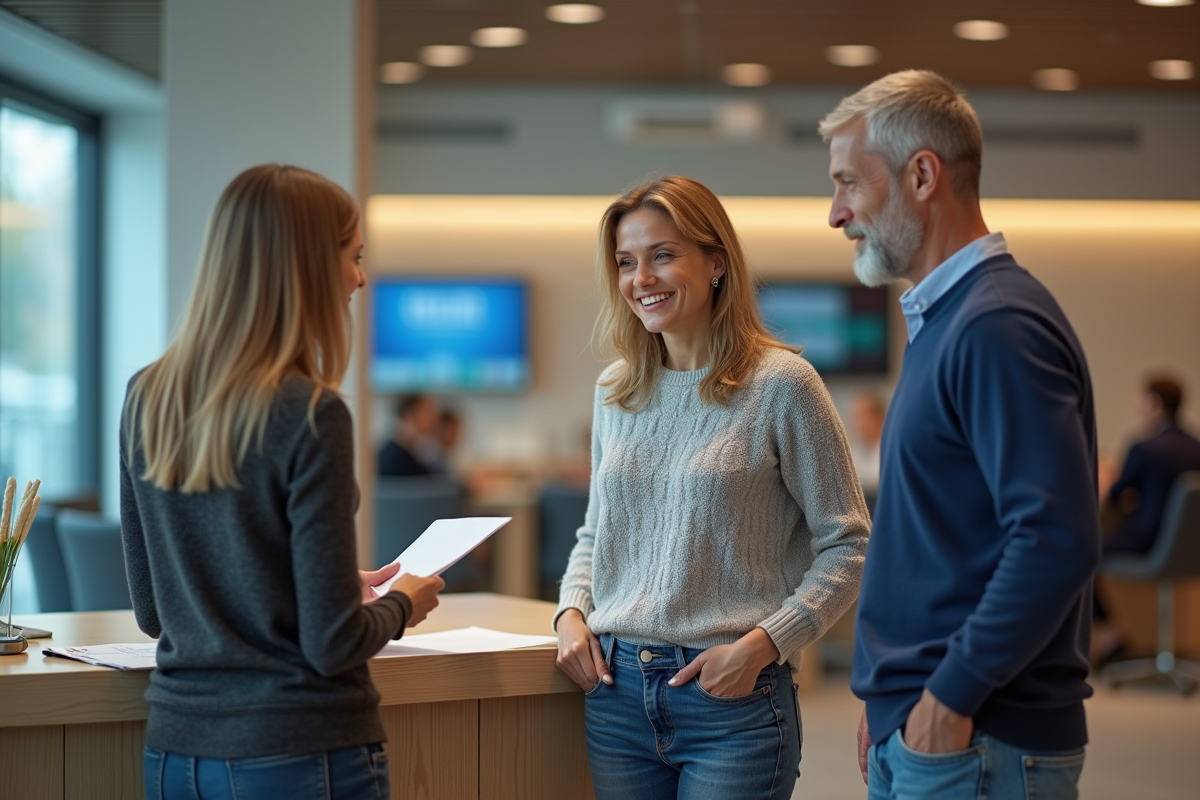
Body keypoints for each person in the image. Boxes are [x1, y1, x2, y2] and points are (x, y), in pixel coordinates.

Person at [120, 164, 445, 800]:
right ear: (307, 267)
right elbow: (333, 644)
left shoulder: (145, 396)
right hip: (298, 752)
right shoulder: (311, 414)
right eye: (353, 257)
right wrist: (403, 602)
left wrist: (319, 583)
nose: (360, 278)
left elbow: (155, 611)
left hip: (176, 754)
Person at [819, 71, 1100, 799]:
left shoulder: (996, 324)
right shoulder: (947, 321)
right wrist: (893, 695)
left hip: (976, 735)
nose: (836, 213)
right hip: (929, 724)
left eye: (848, 183)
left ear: (922, 175)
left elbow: (1055, 539)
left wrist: (947, 696)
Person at [554, 176, 870, 800]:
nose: (641, 278)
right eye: (626, 262)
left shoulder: (784, 385)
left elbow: (849, 544)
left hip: (730, 699)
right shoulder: (615, 390)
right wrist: (569, 613)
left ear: (717, 262)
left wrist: (765, 645)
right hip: (616, 696)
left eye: (662, 255)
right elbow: (597, 533)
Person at [1105, 376, 1200, 554]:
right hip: (1190, 546)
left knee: (1087, 544)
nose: (1138, 409)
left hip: (1147, 542)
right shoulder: (1197, 448)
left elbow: (1115, 496)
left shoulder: (1145, 449)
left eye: (1142, 402)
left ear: (1155, 403)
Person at [378, 394, 441, 476]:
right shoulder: (393, 458)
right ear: (409, 414)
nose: (433, 417)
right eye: (427, 412)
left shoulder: (417, 453)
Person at [848, 390, 886, 495]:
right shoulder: (853, 455)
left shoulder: (889, 454)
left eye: (864, 415)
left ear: (880, 418)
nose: (859, 423)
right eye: (856, 417)